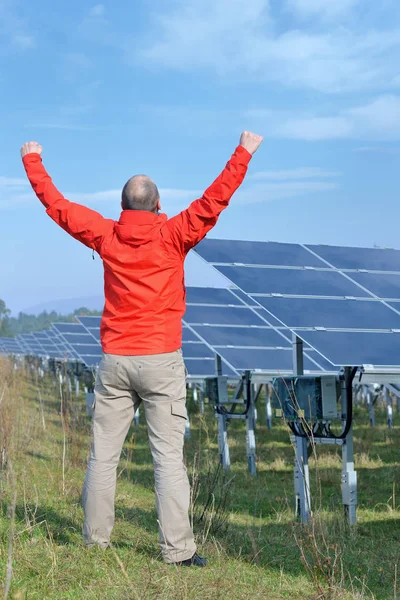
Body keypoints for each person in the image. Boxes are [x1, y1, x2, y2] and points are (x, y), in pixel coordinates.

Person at [20, 131, 263, 566]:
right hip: (162, 361)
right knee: (167, 459)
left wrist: (33, 162)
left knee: (103, 454)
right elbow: (214, 201)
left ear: (122, 206)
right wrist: (242, 152)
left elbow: (58, 208)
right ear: (157, 205)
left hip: (115, 361)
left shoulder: (106, 235)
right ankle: (177, 550)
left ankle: (95, 542)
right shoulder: (174, 235)